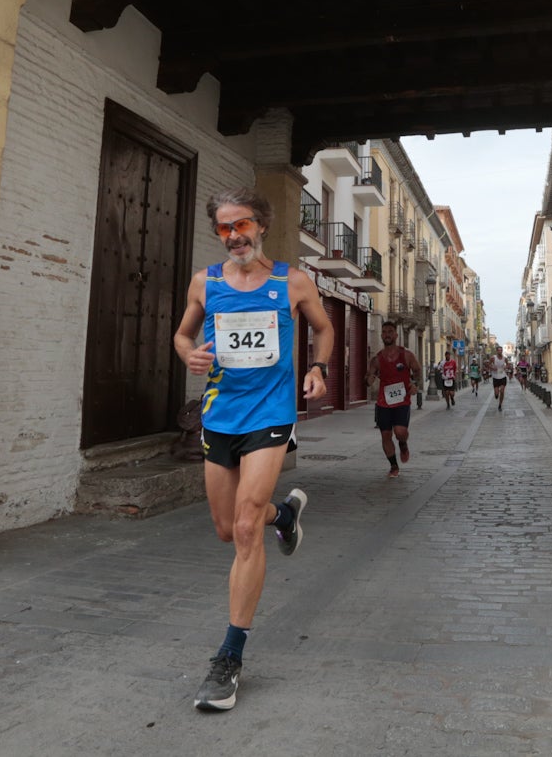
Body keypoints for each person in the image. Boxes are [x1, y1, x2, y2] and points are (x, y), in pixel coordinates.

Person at [173, 188, 335, 713]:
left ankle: (229, 658)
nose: (235, 236)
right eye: (224, 228)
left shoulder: (292, 281)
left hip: (270, 414)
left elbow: (324, 328)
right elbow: (181, 335)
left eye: (242, 225)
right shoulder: (207, 282)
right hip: (220, 414)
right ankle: (284, 513)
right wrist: (190, 355)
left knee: (245, 528)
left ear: (261, 225)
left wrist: (317, 367)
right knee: (227, 527)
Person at [367, 320, 420, 477]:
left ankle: (403, 444)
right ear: (381, 335)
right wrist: (368, 379)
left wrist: (414, 384)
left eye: (390, 331)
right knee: (385, 435)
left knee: (400, 432)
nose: (387, 334)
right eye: (384, 332)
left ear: (396, 335)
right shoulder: (377, 359)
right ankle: (393, 466)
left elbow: (417, 371)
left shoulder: (407, 355)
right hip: (383, 402)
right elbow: (369, 379)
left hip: (402, 401)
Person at [485, 346, 510, 412]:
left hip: (503, 376)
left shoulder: (504, 358)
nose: (500, 351)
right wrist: (493, 368)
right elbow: (488, 365)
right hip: (495, 377)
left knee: (502, 391)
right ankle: (496, 394)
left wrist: (505, 367)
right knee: (496, 394)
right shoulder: (493, 358)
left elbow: (508, 365)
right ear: (497, 351)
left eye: (501, 350)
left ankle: (500, 405)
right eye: (499, 350)